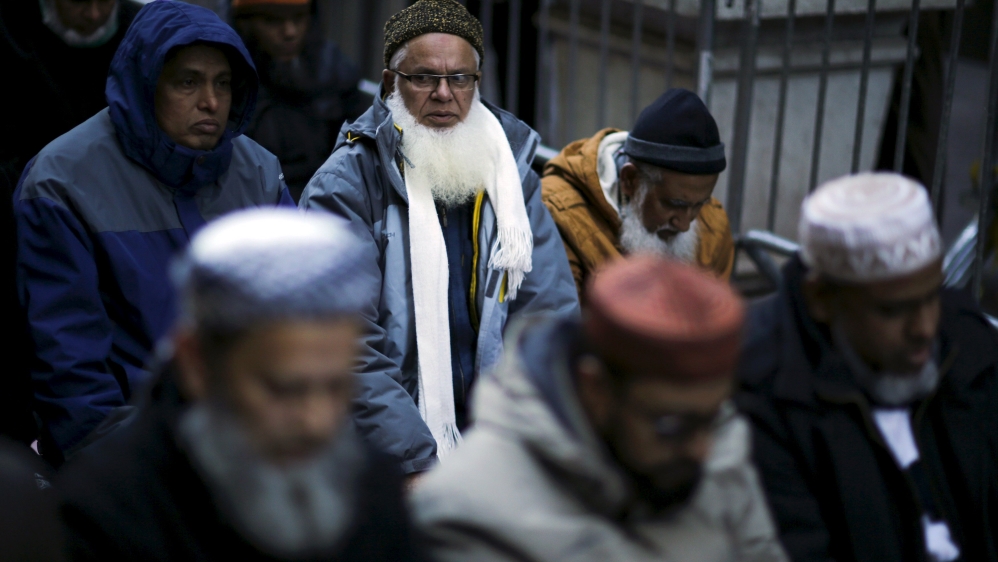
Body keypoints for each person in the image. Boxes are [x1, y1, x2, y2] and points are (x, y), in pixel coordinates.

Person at [300, 0, 579, 478]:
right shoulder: (345, 186)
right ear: (391, 84)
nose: (445, 94)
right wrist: (414, 462)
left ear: (477, 84)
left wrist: (519, 440)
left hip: (494, 433)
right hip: (381, 450)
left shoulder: (510, 175)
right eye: (424, 77)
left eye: (461, 79)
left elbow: (547, 316)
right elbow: (345, 344)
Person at [14, 0, 295, 465]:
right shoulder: (61, 182)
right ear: (145, 84)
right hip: (136, 461)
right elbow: (72, 375)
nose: (211, 101)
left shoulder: (259, 171)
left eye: (223, 83)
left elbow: (297, 320)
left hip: (255, 445)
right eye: (188, 82)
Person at [57, 209, 424, 561]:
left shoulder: (370, 485)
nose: (317, 421)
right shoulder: (109, 511)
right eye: (285, 390)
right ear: (196, 363)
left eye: (337, 387)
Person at [411, 255, 788, 561]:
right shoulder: (468, 509)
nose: (702, 449)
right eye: (672, 425)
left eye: (714, 417)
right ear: (596, 390)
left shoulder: (717, 447)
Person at [736, 173, 998, 562]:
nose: (925, 329)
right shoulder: (761, 391)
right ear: (822, 298)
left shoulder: (966, 339)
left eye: (932, 296)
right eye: (893, 310)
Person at [0, 0, 143, 446]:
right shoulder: (9, 34)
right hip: (22, 220)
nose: (95, 11)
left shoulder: (141, 34)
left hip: (116, 221)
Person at [542, 89, 735, 298]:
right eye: (674, 204)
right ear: (630, 181)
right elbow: (558, 323)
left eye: (699, 205)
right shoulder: (558, 216)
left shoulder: (714, 223)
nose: (685, 224)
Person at [0, 0, 142, 190]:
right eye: (78, 1)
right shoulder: (9, 29)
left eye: (106, 1)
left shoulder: (142, 33)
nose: (94, 14)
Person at [233, 0, 367, 201]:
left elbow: (357, 149)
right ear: (246, 24)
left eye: (299, 18)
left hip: (324, 199)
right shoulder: (229, 79)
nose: (290, 32)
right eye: (272, 21)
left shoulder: (334, 69)